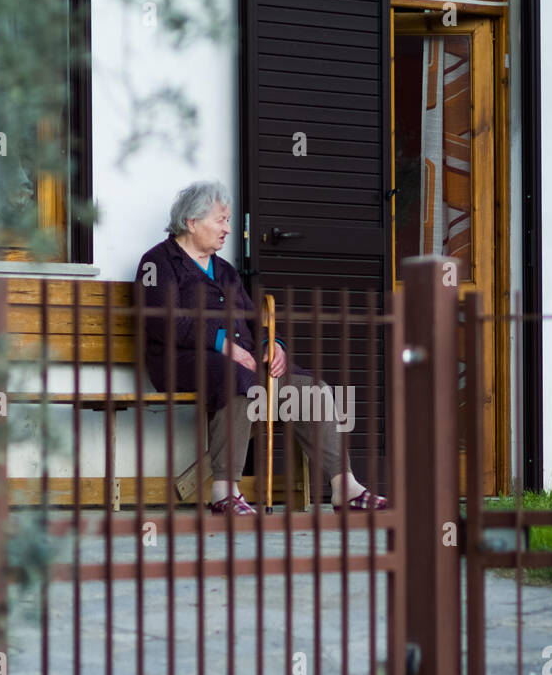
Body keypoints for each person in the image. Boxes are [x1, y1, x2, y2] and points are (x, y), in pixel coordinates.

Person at [134, 180, 387, 516]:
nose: (228, 229)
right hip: (182, 362)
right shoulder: (158, 263)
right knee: (238, 379)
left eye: (228, 220)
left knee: (313, 390)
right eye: (221, 220)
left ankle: (346, 487)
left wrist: (273, 344)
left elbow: (255, 318)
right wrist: (222, 344)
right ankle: (225, 491)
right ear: (192, 223)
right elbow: (162, 321)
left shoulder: (225, 270)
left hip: (244, 365)